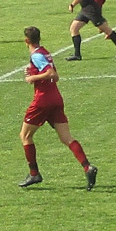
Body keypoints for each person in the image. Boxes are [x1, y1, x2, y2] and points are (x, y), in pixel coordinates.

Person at [18, 26, 97, 191]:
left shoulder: (37, 55)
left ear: (26, 41)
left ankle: (34, 173)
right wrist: (32, 70)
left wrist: (32, 77)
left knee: (25, 135)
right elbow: (53, 74)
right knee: (66, 137)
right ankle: (87, 167)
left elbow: (52, 74)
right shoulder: (44, 52)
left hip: (42, 100)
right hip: (56, 98)